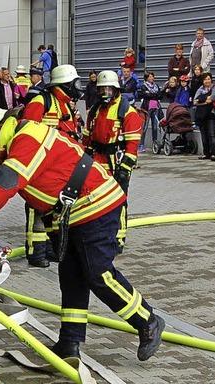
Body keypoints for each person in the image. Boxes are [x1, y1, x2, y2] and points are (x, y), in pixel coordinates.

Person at [0, 103, 165, 361]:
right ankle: (69, 343)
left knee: (98, 274)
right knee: (71, 276)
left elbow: (6, 181)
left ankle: (147, 321)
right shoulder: (21, 138)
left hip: (97, 205)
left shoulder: (26, 138)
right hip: (79, 213)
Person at [22, 64, 83, 267]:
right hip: (41, 165)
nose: (78, 87)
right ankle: (35, 252)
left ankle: (49, 248)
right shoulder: (42, 101)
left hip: (60, 166)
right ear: (64, 84)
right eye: (75, 83)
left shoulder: (64, 104)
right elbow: (27, 132)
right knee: (35, 209)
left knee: (53, 209)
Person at [82, 70, 144, 253]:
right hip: (97, 160)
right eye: (102, 90)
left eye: (109, 89)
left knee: (118, 200)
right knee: (94, 199)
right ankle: (99, 234)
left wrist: (125, 167)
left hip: (117, 161)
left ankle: (118, 237)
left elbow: (133, 144)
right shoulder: (95, 110)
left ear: (116, 90)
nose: (105, 94)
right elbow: (87, 138)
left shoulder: (127, 112)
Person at [193, 72, 215, 161]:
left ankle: (213, 153)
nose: (207, 81)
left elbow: (212, 98)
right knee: (203, 135)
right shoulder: (200, 88)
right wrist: (205, 99)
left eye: (208, 79)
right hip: (201, 115)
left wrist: (201, 100)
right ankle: (206, 153)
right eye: (205, 79)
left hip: (211, 114)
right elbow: (195, 101)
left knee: (211, 134)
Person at [138, 71, 161, 152]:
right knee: (145, 127)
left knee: (155, 127)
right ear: (147, 78)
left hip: (155, 107)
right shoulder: (143, 86)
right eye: (150, 77)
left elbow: (159, 95)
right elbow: (145, 95)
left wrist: (151, 95)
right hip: (146, 108)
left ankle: (155, 144)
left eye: (152, 77)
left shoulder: (156, 86)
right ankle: (141, 145)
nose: (151, 78)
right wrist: (153, 95)